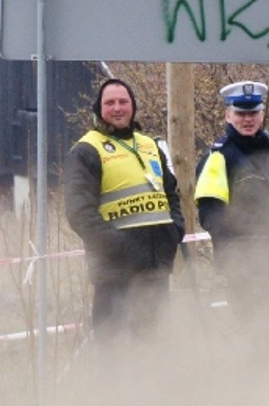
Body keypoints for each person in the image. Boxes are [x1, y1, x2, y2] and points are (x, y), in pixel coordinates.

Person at [63, 78, 186, 342]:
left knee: (155, 353)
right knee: (117, 359)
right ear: (98, 109)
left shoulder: (150, 145)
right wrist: (120, 246)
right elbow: (79, 213)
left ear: (133, 106)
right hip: (115, 276)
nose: (117, 108)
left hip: (156, 270)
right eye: (110, 103)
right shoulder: (87, 150)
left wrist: (174, 230)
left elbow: (171, 193)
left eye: (123, 102)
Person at [195, 80, 269, 339]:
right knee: (255, 335)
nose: (248, 119)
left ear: (262, 114)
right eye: (240, 113)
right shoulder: (218, 157)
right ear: (228, 115)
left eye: (253, 112)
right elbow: (210, 216)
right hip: (245, 268)